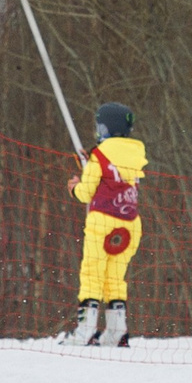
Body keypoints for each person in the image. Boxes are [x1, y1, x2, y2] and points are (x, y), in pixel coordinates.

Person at [65, 102, 147, 347]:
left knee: (92, 273)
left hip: (102, 220)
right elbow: (116, 180)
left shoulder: (100, 155)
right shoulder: (135, 155)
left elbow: (87, 192)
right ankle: (116, 331)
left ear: (107, 128)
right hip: (130, 224)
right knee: (115, 277)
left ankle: (85, 330)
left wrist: (74, 188)